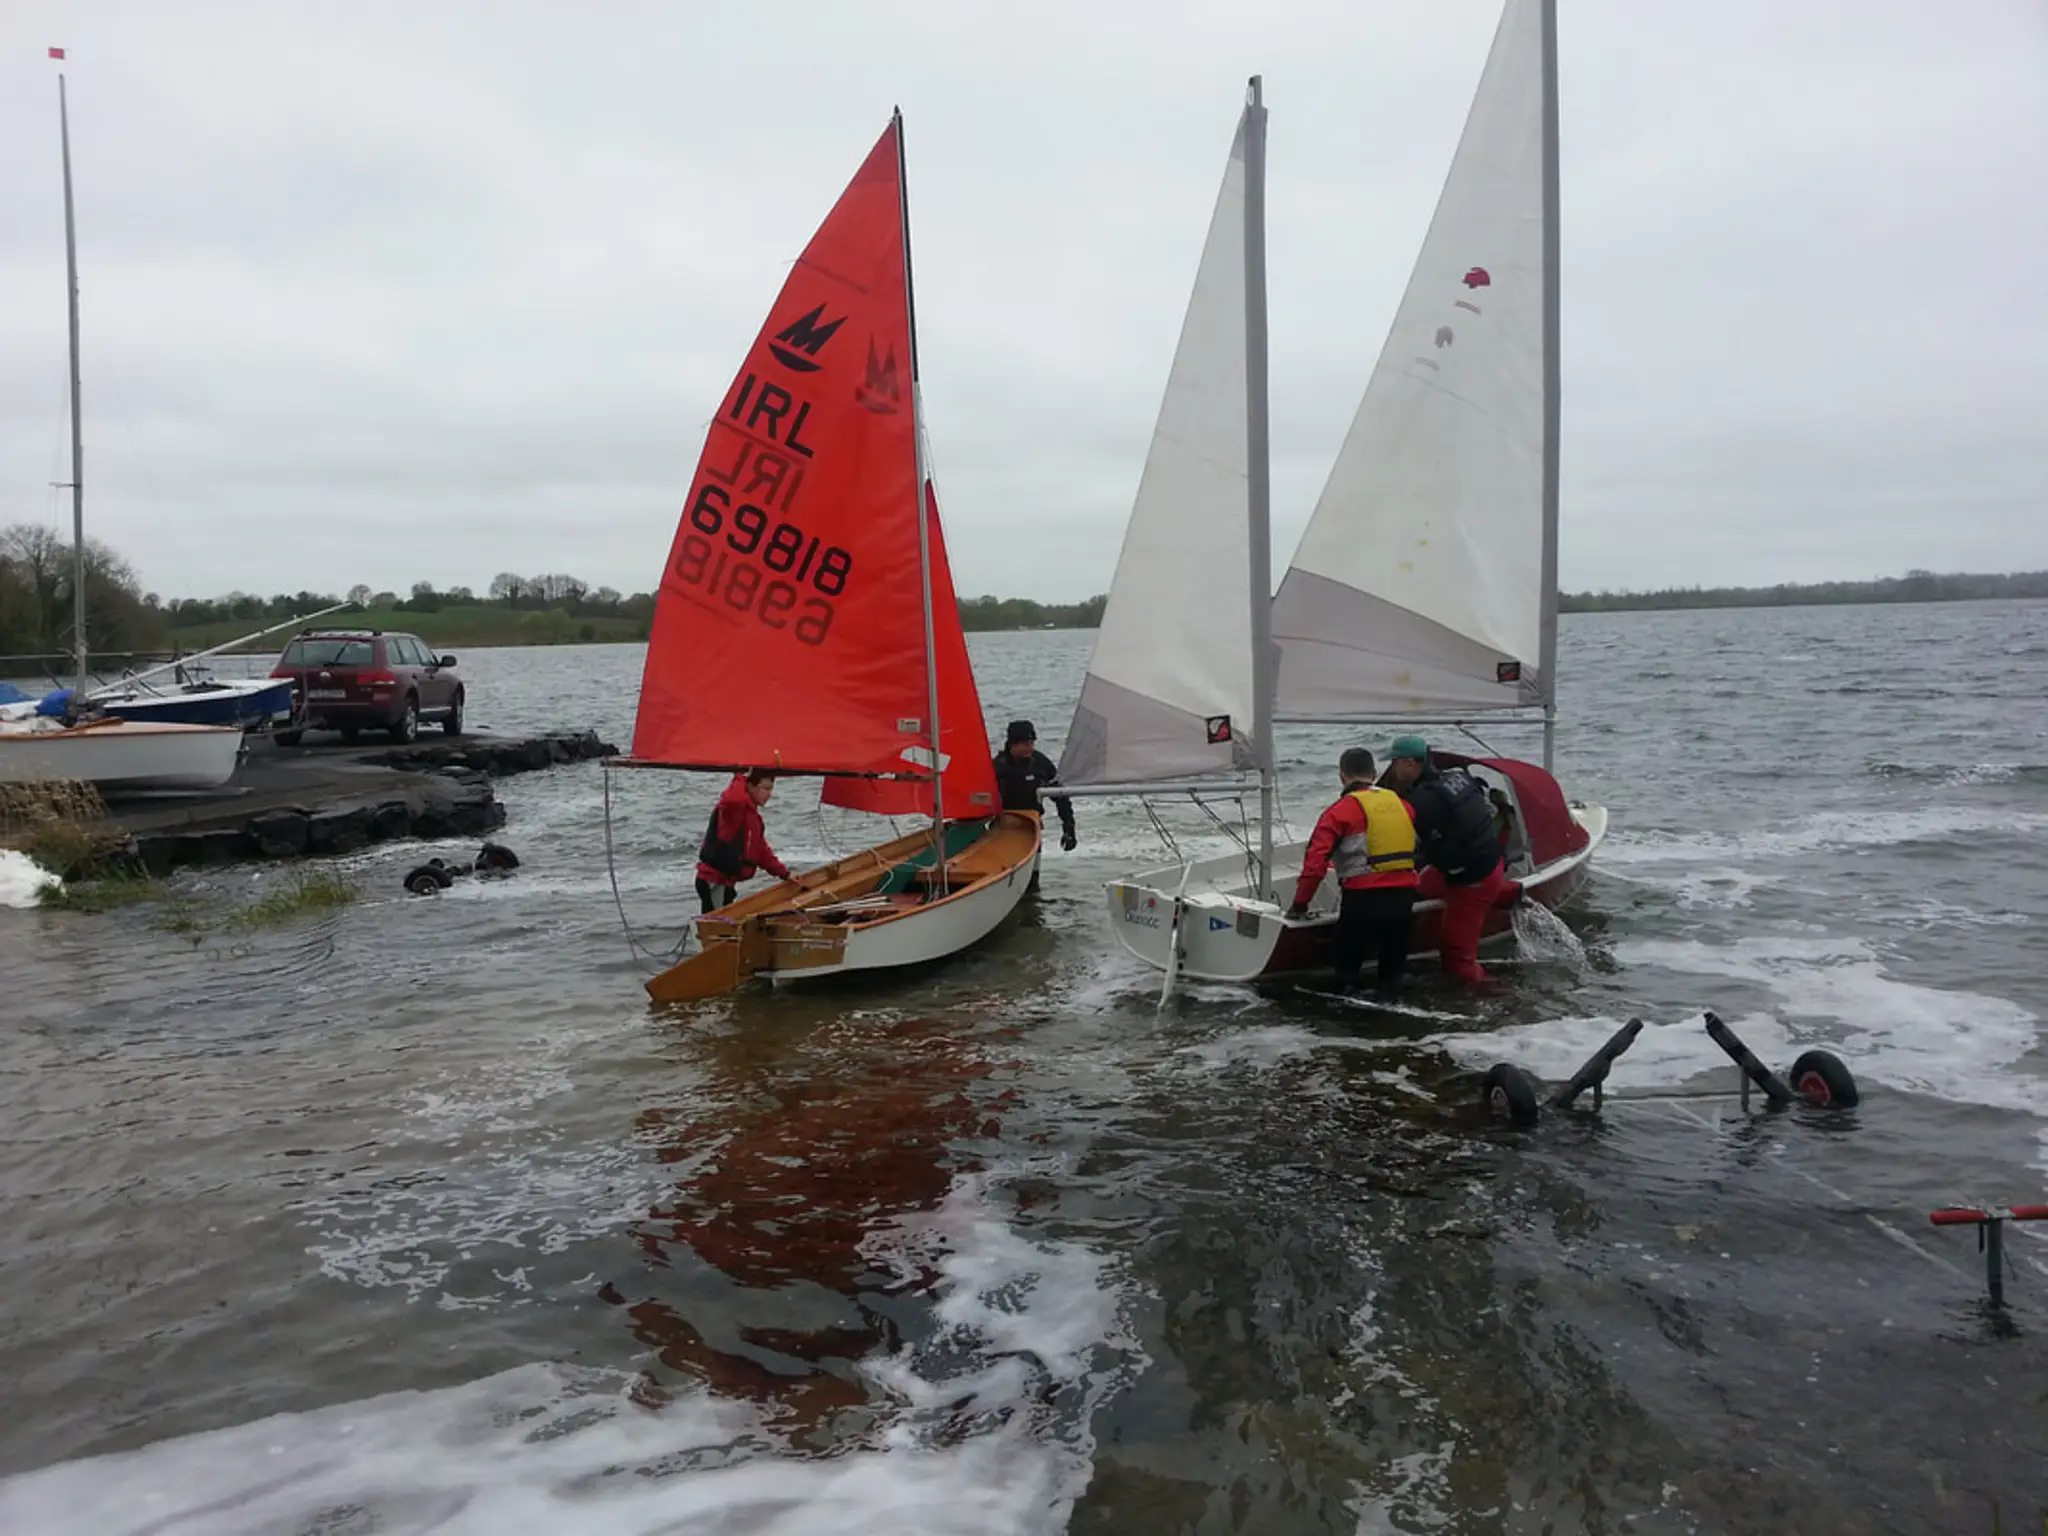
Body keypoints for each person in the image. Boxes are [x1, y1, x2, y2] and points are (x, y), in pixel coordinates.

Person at [1383, 735, 1521, 984]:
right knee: (1420, 885)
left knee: (1456, 957)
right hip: (1490, 861)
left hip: (1471, 880)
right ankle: (1508, 893)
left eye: (1394, 762)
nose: (1391, 769)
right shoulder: (1457, 777)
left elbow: (1411, 843)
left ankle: (1497, 1003)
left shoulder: (1422, 801)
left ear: (1410, 764)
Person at [1285, 747, 1419, 993]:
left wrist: (1299, 905)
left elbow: (1315, 865)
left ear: (1341, 776)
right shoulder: (1402, 805)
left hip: (1363, 900)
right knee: (1393, 972)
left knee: (1347, 973)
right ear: (1374, 772)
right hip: (1403, 897)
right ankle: (1400, 1021)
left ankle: (1351, 1021)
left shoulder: (1338, 813)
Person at [695, 768, 791, 915]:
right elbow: (732, 799)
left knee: (723, 927)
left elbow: (761, 852)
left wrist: (786, 874)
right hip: (714, 882)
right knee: (716, 929)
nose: (769, 794)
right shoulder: (733, 810)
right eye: (765, 788)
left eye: (771, 789)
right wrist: (741, 775)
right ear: (750, 787)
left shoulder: (752, 816)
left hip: (726, 883)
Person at [992, 720, 1076, 853]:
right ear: (1013, 744)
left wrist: (1069, 828)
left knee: (1033, 871)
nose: (1030, 748)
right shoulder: (998, 767)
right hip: (1004, 827)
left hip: (1031, 826)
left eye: (1032, 743)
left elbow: (1061, 796)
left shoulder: (1040, 763)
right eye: (1025, 744)